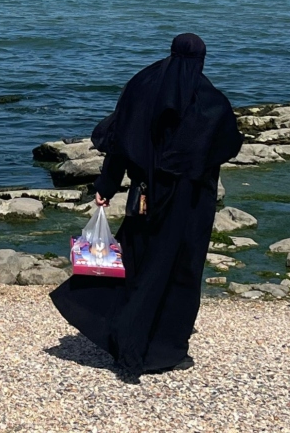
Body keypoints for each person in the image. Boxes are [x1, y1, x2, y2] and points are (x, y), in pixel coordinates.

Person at [50, 33, 244, 379]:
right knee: (179, 271)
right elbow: (228, 144)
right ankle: (162, 350)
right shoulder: (209, 101)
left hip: (143, 197)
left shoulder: (142, 87)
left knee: (139, 267)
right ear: (201, 59)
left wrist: (106, 186)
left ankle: (123, 338)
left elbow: (119, 140)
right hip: (190, 205)